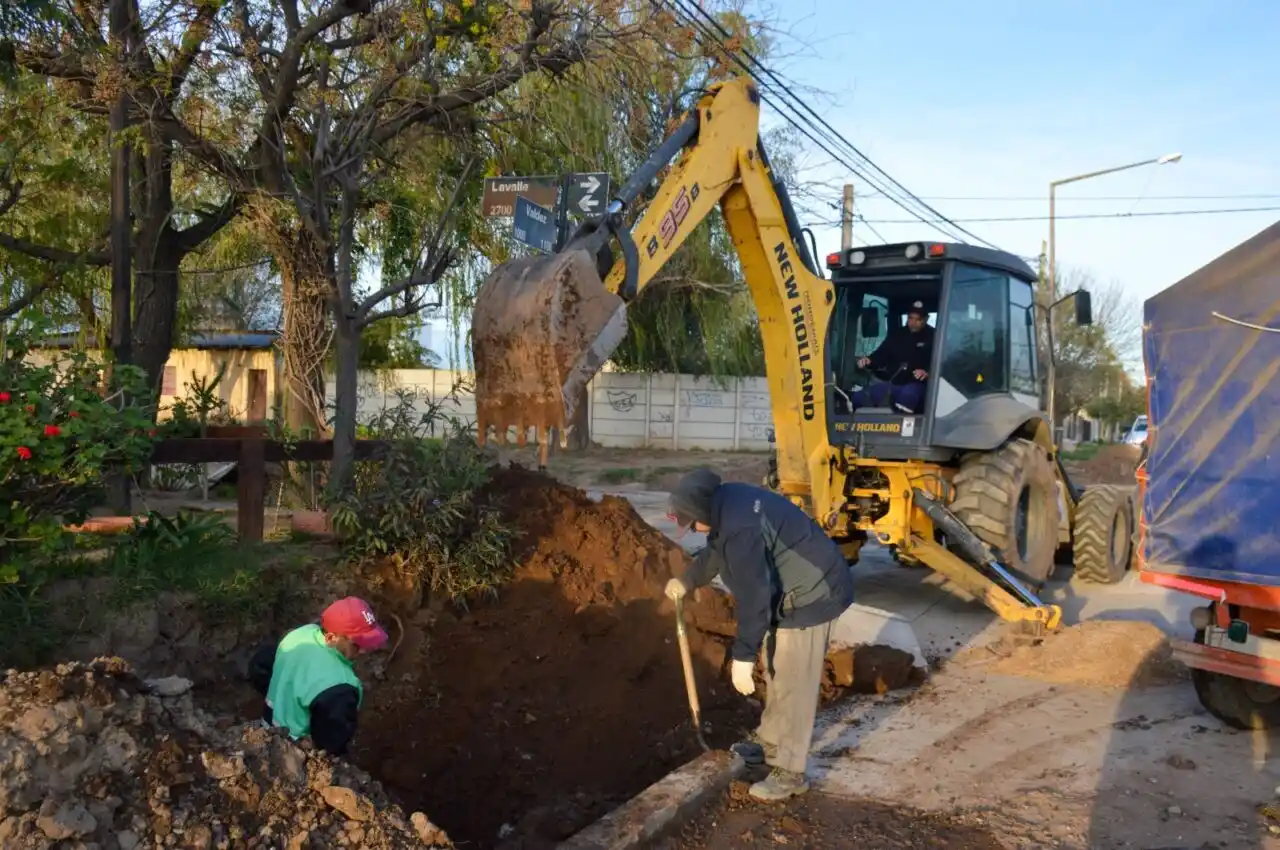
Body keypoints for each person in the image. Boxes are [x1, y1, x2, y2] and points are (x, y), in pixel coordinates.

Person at [663, 468, 854, 801]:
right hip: (792, 593)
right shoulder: (726, 504)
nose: (692, 529)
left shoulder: (740, 527)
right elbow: (715, 553)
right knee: (777, 668)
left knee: (796, 683)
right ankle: (770, 738)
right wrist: (688, 579)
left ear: (702, 512)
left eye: (692, 523)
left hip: (814, 595)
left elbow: (755, 597)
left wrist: (743, 655)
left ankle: (790, 773)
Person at [248, 596, 390, 756]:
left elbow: (260, 664)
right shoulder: (339, 685)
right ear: (331, 638)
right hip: (294, 754)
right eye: (356, 644)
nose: (364, 650)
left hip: (266, 730)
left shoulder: (299, 636)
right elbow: (331, 742)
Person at [850, 300, 935, 413]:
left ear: (926, 319)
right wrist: (869, 360)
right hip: (894, 383)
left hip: (920, 385)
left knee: (907, 397)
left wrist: (927, 371)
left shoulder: (934, 336)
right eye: (910, 318)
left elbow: (943, 361)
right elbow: (882, 354)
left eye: (918, 319)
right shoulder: (897, 335)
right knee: (858, 398)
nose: (913, 322)